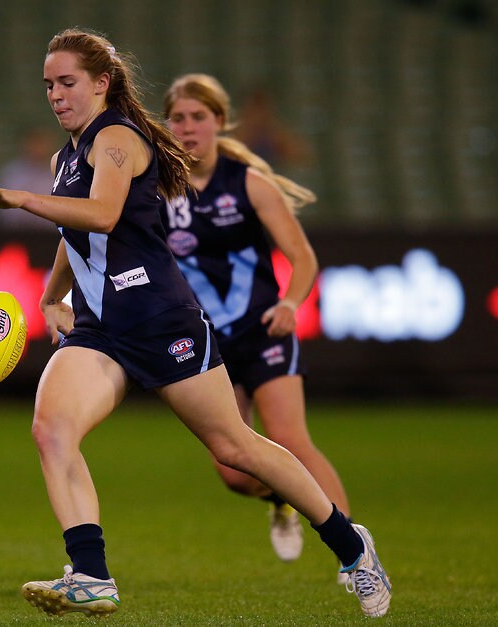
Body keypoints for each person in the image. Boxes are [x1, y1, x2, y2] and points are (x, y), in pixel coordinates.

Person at [0, 29, 391, 619]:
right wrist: (51, 293)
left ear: (102, 83)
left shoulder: (116, 138)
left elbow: (104, 216)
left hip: (161, 319)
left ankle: (351, 545)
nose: (55, 95)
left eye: (67, 82)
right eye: (49, 85)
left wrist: (23, 199)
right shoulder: (66, 155)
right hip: (100, 328)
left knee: (236, 448)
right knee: (51, 429)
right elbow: (76, 235)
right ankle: (91, 575)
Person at [163, 73, 352, 575]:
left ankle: (354, 553)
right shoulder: (155, 193)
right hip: (206, 346)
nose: (187, 127)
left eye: (198, 117)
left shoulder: (247, 182)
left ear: (219, 122)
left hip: (262, 330)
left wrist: (291, 302)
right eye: (178, 118)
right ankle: (280, 498)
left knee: (291, 437)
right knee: (234, 473)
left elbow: (303, 258)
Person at [0, 125, 60, 231]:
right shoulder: (12, 174)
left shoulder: (59, 172)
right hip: (17, 235)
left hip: (51, 237)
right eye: (35, 143)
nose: (38, 148)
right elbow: (3, 211)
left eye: (42, 143)